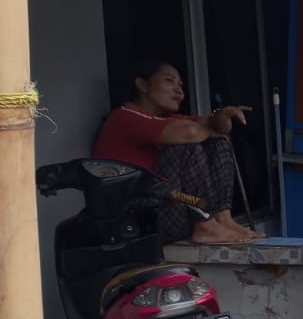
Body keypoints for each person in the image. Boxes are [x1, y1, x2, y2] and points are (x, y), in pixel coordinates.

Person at [93, 59, 264, 244]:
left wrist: (222, 115)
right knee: (186, 147)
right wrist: (213, 128)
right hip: (134, 223)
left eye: (180, 84)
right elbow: (190, 132)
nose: (179, 90)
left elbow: (213, 125)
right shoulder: (125, 116)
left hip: (167, 210)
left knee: (218, 143)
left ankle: (223, 219)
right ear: (142, 84)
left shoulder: (165, 118)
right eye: (169, 80)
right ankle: (205, 226)